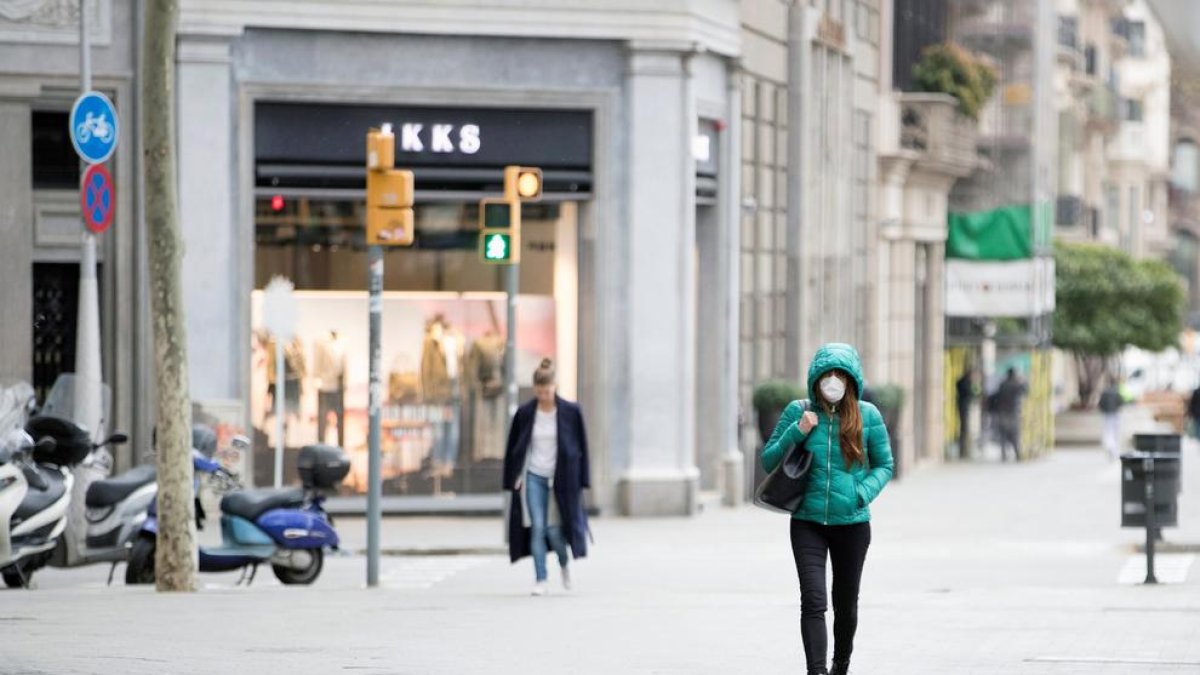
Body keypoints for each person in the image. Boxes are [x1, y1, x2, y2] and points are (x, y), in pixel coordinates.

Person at [761, 343, 894, 675]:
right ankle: (816, 671)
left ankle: (841, 665)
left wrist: (860, 494)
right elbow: (768, 460)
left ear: (851, 380)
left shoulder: (868, 416)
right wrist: (798, 430)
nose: (832, 381)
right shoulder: (799, 411)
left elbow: (885, 465)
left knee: (845, 604)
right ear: (815, 379)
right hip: (808, 521)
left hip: (852, 524)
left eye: (840, 375)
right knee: (813, 601)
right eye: (826, 375)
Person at [502, 358, 591, 596]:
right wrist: (514, 477)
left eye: (548, 391)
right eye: (540, 392)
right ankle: (540, 578)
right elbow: (514, 448)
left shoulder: (571, 412)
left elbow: (582, 447)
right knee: (538, 527)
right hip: (535, 476)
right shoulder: (525, 413)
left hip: (561, 478)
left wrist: (583, 480)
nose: (544, 396)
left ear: (555, 387)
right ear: (535, 389)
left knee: (554, 530)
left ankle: (563, 564)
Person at [991, 368, 1027, 462]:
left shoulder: (1002, 384)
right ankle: (1017, 453)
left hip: (1002, 411)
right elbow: (1025, 391)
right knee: (1014, 433)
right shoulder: (1016, 384)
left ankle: (1004, 454)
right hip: (1012, 412)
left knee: (1003, 433)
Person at [955, 367, 979, 459]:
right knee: (965, 429)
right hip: (965, 408)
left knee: (964, 429)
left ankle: (964, 449)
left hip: (963, 407)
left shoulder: (961, 382)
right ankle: (964, 450)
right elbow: (974, 393)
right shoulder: (967, 383)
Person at [1098, 377, 1124, 461]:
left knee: (1109, 431)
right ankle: (1113, 448)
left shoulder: (1105, 392)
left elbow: (1100, 404)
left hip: (1107, 415)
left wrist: (1104, 410)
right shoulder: (1117, 392)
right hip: (1116, 414)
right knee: (1115, 432)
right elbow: (1121, 402)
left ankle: (1110, 446)